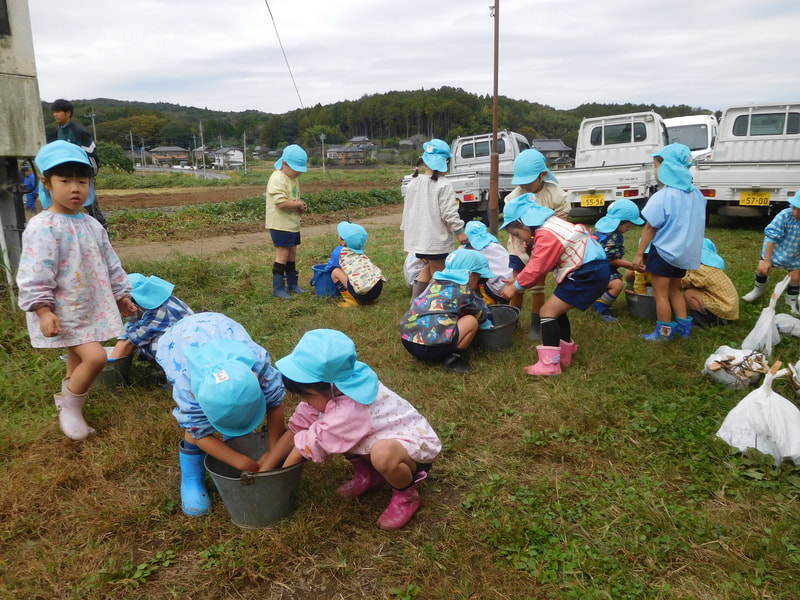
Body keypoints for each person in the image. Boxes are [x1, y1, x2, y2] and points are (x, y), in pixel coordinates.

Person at [16, 140, 136, 441]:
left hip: (89, 306)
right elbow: (34, 271)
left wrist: (122, 295)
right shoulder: (44, 227)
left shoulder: (92, 225)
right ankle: (69, 408)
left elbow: (110, 262)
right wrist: (42, 310)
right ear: (46, 183)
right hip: (63, 310)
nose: (75, 188)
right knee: (95, 357)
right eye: (65, 180)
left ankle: (70, 401)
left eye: (82, 181)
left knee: (78, 358)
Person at [266, 329, 441, 530]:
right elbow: (296, 430)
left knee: (379, 453)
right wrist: (265, 469)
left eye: (307, 396)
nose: (304, 402)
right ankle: (369, 474)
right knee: (333, 432)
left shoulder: (350, 410)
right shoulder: (334, 388)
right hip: (376, 436)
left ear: (331, 387)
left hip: (413, 452)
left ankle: (406, 494)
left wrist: (278, 481)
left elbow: (311, 443)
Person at [155, 312, 286, 517]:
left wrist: (272, 450)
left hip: (218, 327)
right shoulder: (188, 389)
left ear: (256, 381)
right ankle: (191, 477)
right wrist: (245, 463)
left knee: (235, 421)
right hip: (180, 341)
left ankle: (234, 438)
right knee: (197, 427)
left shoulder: (259, 366)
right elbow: (199, 433)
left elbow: (275, 404)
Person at [500, 195, 610, 376]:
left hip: (586, 272)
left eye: (517, 235)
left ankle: (550, 365)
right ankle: (565, 353)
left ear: (525, 223)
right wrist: (518, 280)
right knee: (557, 311)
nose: (518, 240)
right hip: (591, 268)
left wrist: (515, 287)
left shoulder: (545, 233)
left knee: (547, 312)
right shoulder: (552, 225)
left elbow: (538, 267)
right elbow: (545, 263)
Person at [632, 143, 706, 341]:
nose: (655, 171)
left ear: (666, 168)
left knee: (660, 294)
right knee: (675, 290)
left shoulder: (663, 196)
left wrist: (640, 253)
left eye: (656, 166)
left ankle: (663, 333)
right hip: (684, 255)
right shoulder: (698, 195)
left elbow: (650, 227)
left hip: (664, 253)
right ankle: (684, 329)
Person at [502, 148, 571, 339]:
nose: (524, 186)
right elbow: (510, 221)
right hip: (518, 248)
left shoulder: (554, 194)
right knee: (517, 284)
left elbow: (562, 218)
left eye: (529, 181)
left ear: (543, 175)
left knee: (537, 286)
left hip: (541, 250)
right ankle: (511, 323)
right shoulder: (514, 197)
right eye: (521, 182)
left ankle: (535, 325)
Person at [399, 248, 494, 374]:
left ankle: (429, 351)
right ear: (470, 275)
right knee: (471, 321)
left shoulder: (434, 284)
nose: (477, 286)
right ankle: (453, 360)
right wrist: (489, 323)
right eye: (479, 280)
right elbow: (480, 315)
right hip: (430, 347)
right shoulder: (464, 291)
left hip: (409, 340)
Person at [401, 138, 468, 301]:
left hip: (418, 240)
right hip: (435, 240)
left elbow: (407, 211)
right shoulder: (443, 185)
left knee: (428, 268)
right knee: (439, 274)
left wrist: (406, 229)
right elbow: (449, 213)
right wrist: (459, 231)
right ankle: (426, 305)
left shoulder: (413, 183)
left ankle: (415, 301)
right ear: (445, 162)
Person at [110, 273, 194, 361]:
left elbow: (131, 341)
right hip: (184, 337)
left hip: (185, 348)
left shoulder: (159, 314)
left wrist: (110, 365)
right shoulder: (164, 302)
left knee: (150, 345)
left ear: (136, 302)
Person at [51, 99, 107, 229]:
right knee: (65, 206)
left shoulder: (78, 131)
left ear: (68, 113)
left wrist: (90, 174)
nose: (55, 115)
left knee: (91, 207)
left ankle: (104, 237)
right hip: (67, 175)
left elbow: (92, 154)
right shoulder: (59, 131)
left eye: (58, 111)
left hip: (82, 175)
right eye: (54, 112)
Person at [741, 191, 800, 313]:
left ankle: (791, 301)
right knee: (762, 269)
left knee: (795, 277)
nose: (797, 213)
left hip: (795, 253)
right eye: (795, 208)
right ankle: (758, 290)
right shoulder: (784, 216)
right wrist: (767, 260)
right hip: (776, 250)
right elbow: (772, 237)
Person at [591, 199, 645, 321]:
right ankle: (600, 308)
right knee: (617, 285)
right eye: (627, 226)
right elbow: (610, 259)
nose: (628, 229)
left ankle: (602, 301)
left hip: (603, 268)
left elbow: (616, 256)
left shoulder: (611, 233)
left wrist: (628, 264)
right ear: (619, 223)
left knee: (617, 279)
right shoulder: (609, 237)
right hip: (596, 270)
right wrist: (629, 265)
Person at [266, 144, 309, 299]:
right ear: (284, 164)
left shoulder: (293, 178)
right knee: (283, 255)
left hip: (292, 224)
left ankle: (292, 284)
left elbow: (293, 199)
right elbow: (281, 203)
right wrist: (297, 204)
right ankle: (278, 288)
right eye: (296, 169)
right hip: (280, 224)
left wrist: (300, 205)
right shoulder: (277, 178)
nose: (298, 172)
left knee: (292, 254)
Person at [682, 238, 739, 328]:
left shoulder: (700, 268)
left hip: (723, 313)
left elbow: (684, 283)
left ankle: (700, 323)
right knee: (695, 290)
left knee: (690, 293)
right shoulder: (713, 267)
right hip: (729, 309)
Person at [327, 221, 386, 307]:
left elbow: (330, 267)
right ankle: (369, 300)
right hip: (377, 287)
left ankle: (350, 301)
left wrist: (325, 271)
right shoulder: (360, 251)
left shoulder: (339, 252)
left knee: (335, 272)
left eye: (339, 235)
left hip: (363, 293)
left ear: (343, 242)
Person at [463, 219, 513, 304]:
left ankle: (486, 300)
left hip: (498, 290)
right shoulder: (495, 245)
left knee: (474, 273)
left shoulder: (473, 251)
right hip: (514, 284)